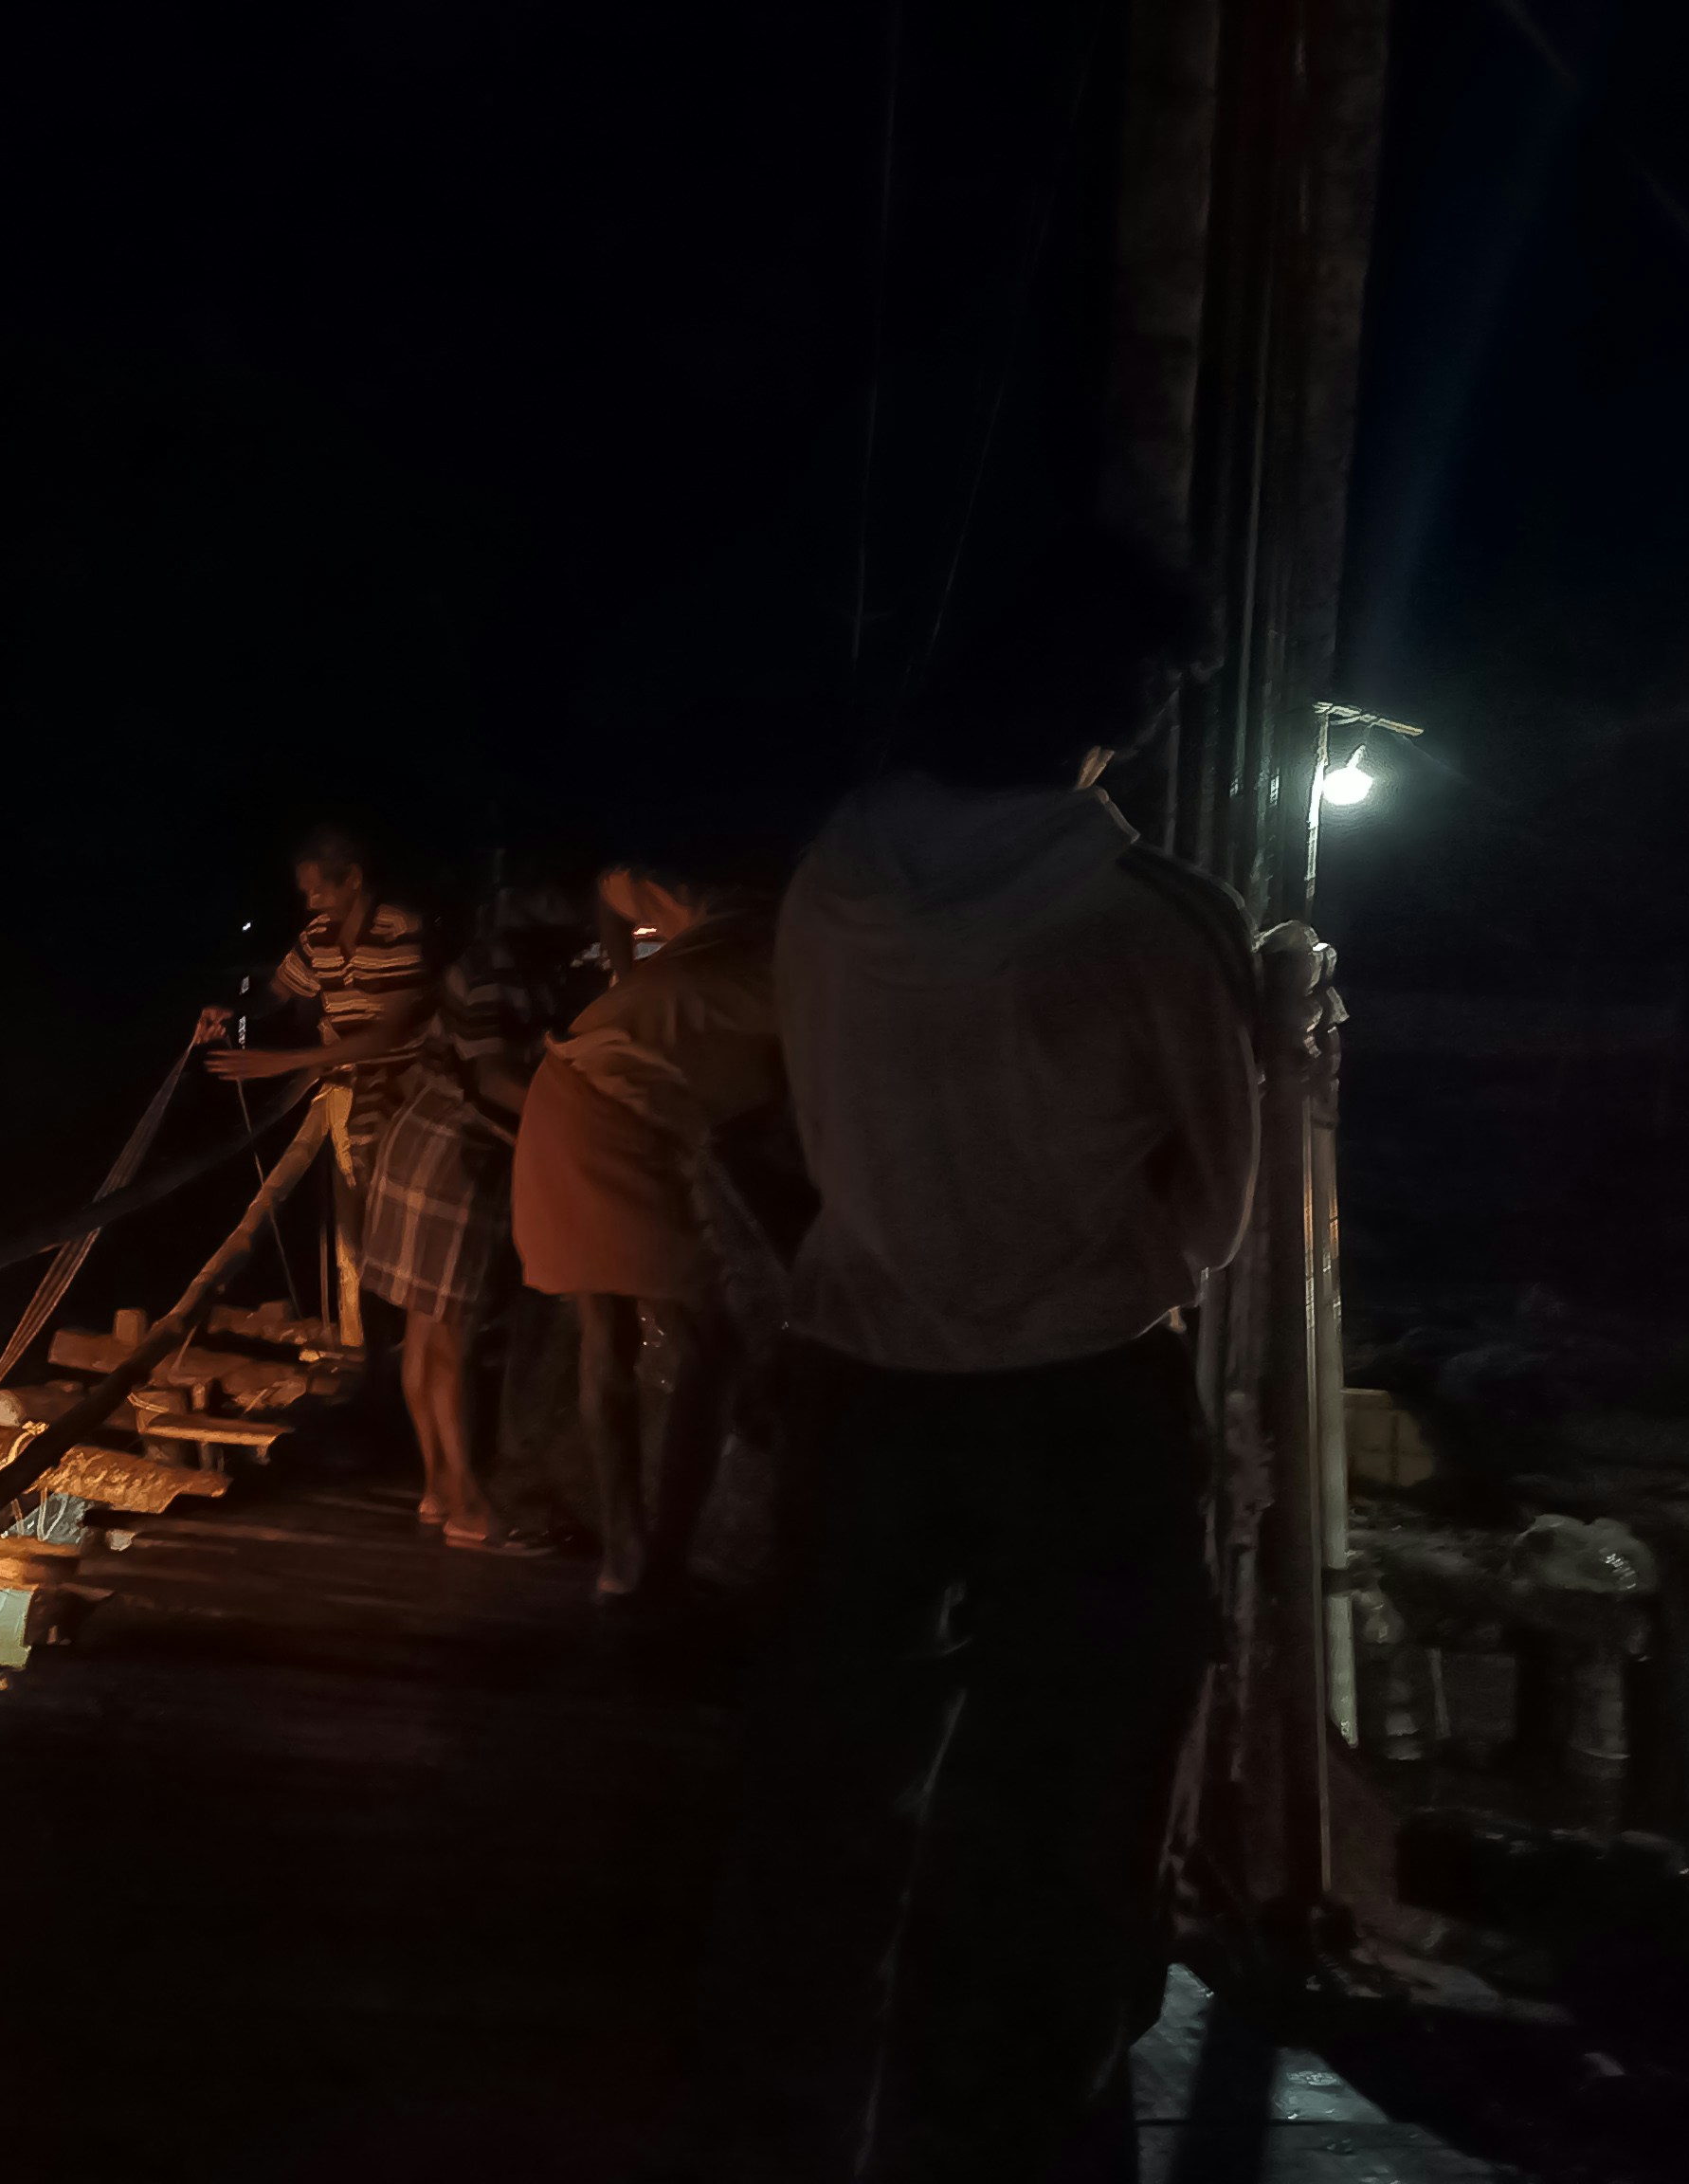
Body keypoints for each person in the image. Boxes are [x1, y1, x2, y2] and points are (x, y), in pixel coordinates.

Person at [674, 540, 1252, 2184]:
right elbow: (1210, 1215)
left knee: (833, 1741)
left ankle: (784, 2059)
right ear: (1129, 710)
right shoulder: (1151, 919)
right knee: (1074, 1755)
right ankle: (1017, 2080)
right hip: (1073, 1390)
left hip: (863, 1372)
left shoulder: (832, 880)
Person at [507, 854, 782, 1598]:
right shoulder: (761, 923)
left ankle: (656, 1548)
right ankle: (640, 1552)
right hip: (587, 1101)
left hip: (634, 1108)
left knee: (699, 1336)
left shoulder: (742, 915)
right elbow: (607, 886)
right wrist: (623, 979)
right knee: (656, 1334)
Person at [354, 870, 599, 1551]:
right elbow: (493, 1076)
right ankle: (469, 1506)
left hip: (431, 1145)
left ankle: (440, 1490)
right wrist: (582, 1125)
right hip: (454, 1156)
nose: (574, 910)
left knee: (429, 1330)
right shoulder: (496, 969)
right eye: (561, 894)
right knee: (448, 1336)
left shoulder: (507, 965)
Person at [197, 827, 440, 1349]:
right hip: (351, 1087)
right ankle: (382, 1336)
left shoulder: (398, 929)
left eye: (318, 890)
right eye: (306, 892)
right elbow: (278, 993)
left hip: (410, 1082)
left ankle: (408, 1331)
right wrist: (233, 1010)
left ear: (352, 879)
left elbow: (390, 1032)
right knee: (357, 1217)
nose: (311, 902)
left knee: (392, 1207)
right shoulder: (317, 939)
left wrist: (286, 1062)